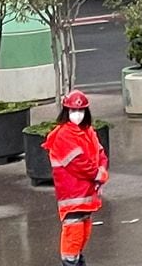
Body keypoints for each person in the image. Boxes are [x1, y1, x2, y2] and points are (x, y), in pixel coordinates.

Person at [45, 90, 108, 266]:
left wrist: (100, 174)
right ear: (66, 112)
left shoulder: (88, 132)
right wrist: (99, 175)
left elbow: (101, 154)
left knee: (83, 232)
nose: (77, 115)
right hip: (73, 195)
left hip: (86, 192)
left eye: (80, 111)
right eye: (73, 111)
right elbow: (79, 163)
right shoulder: (63, 135)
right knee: (74, 234)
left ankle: (76, 261)